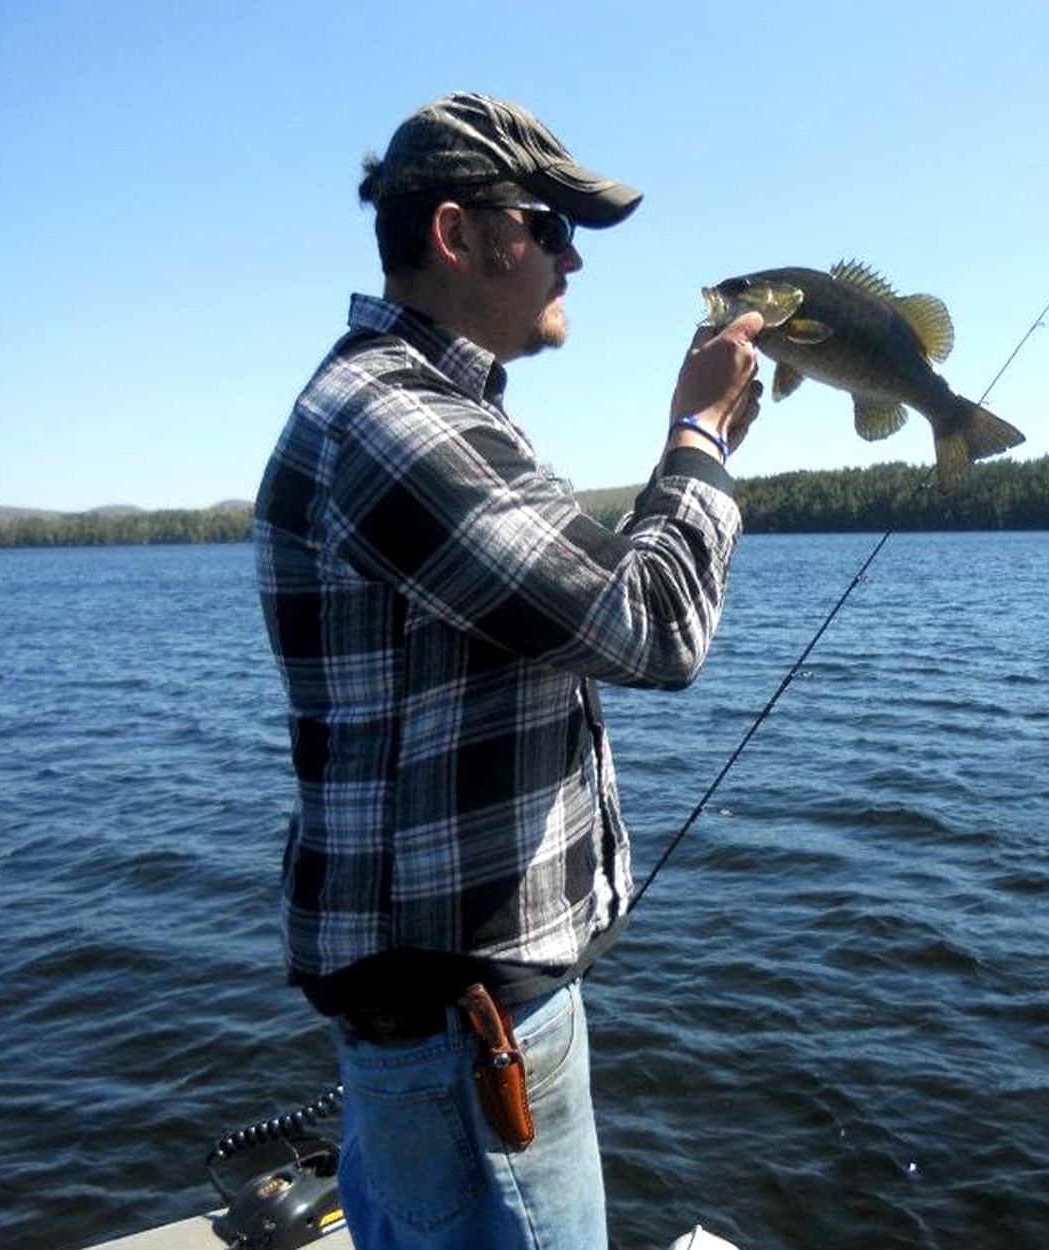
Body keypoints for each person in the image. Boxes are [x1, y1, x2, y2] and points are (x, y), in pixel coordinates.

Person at [253, 92, 764, 1250]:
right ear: (456, 235)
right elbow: (653, 623)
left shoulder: (427, 412)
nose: (573, 255)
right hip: (466, 1029)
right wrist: (700, 443)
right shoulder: (394, 423)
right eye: (546, 222)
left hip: (440, 1019)